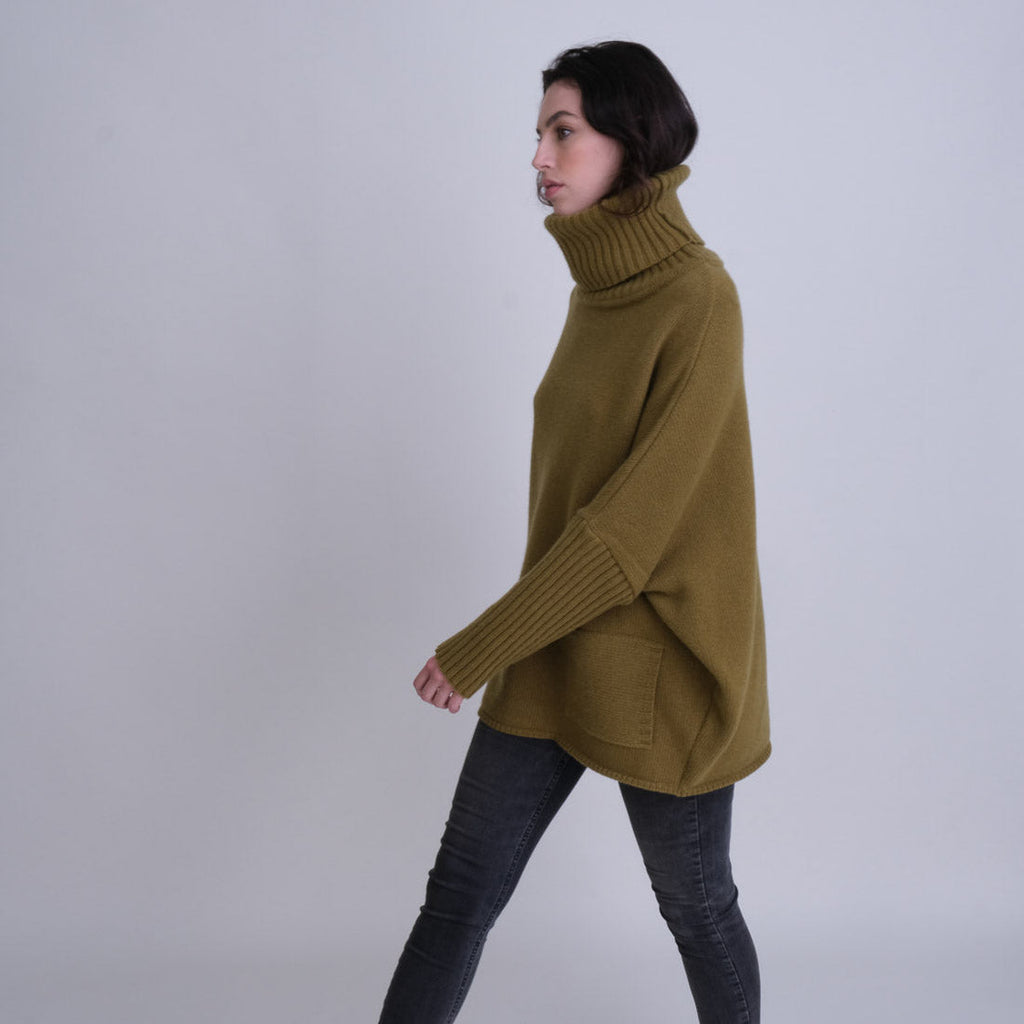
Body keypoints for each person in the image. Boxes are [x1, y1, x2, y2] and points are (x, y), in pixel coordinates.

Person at [379, 40, 770, 1024]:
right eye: (539, 133)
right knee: (458, 896)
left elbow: (626, 534)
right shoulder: (597, 291)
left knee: (697, 906)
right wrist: (516, 641)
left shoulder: (699, 299)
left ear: (629, 141)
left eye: (564, 132)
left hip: (664, 664)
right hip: (557, 642)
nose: (539, 157)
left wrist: (479, 647)